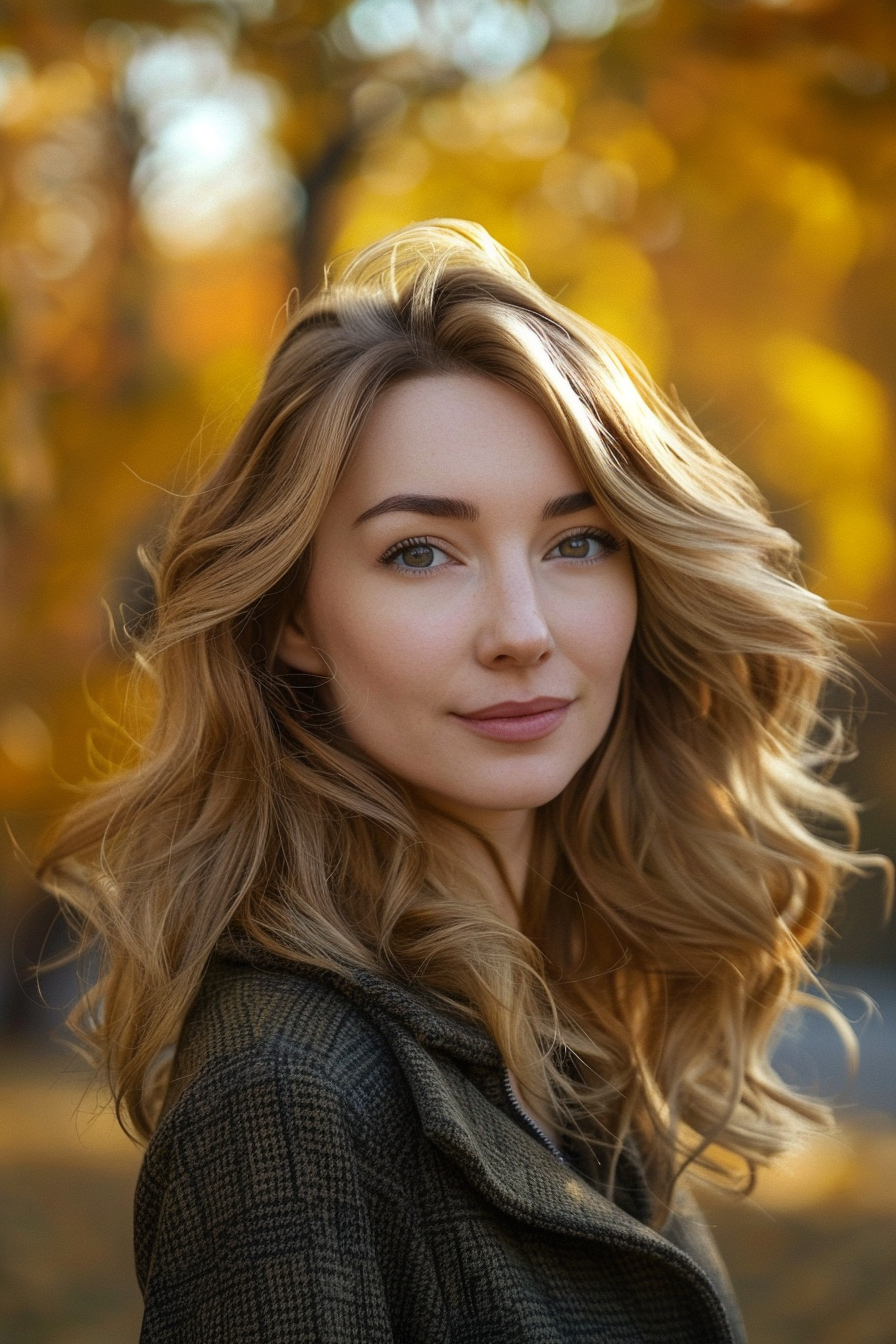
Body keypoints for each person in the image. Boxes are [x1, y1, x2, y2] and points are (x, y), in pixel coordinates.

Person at [39, 219, 881, 1343]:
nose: (522, 632)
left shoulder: (559, 1029)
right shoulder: (288, 1092)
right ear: (294, 618)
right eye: (419, 553)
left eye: (575, 543)